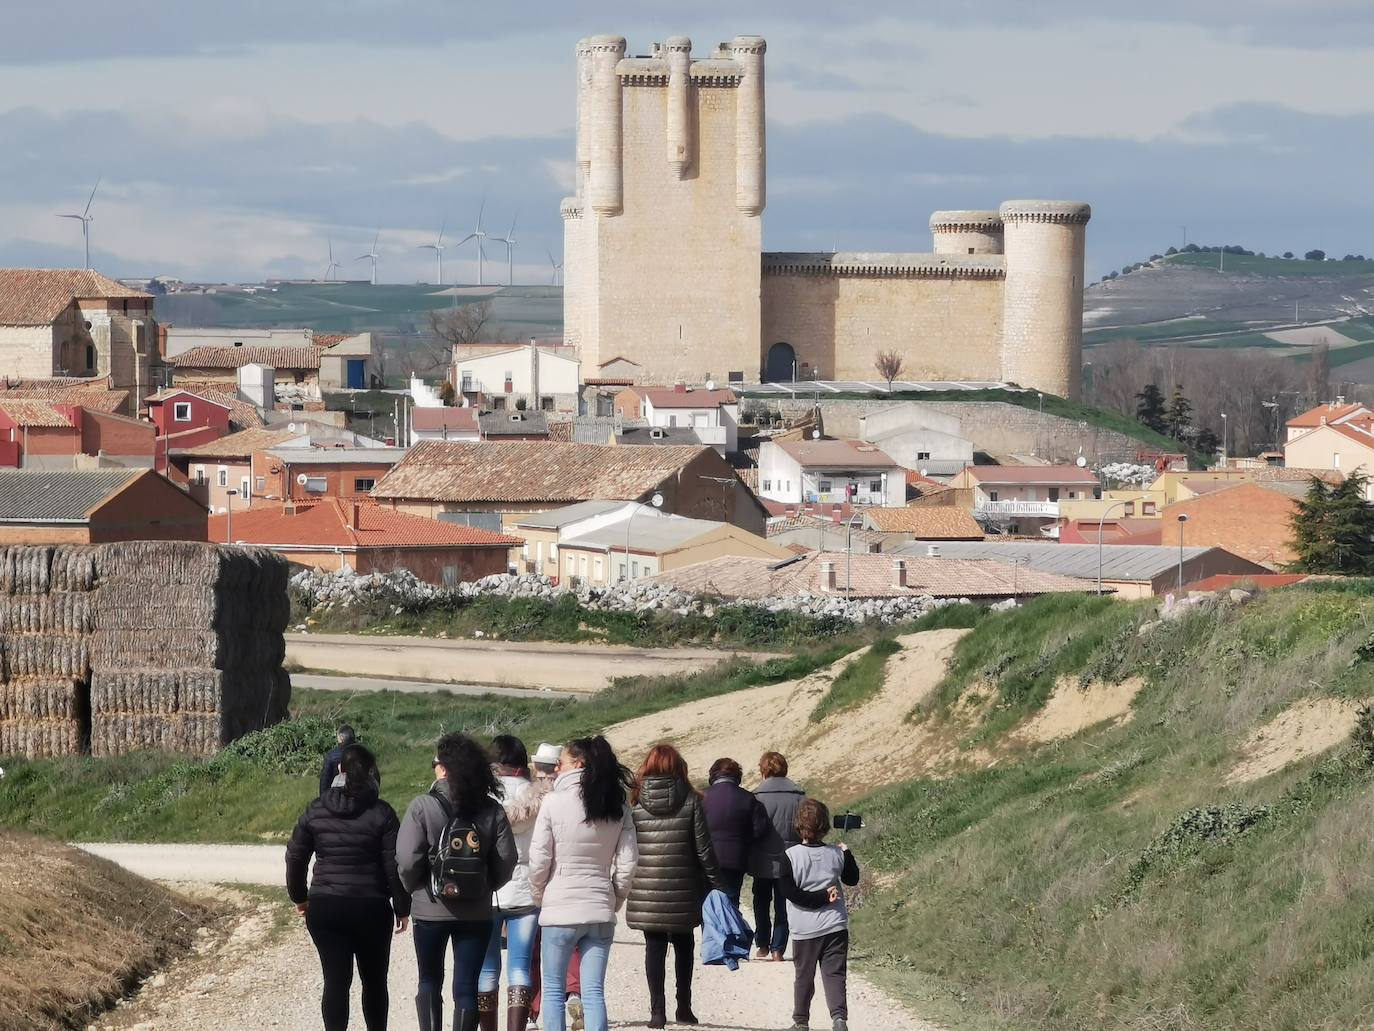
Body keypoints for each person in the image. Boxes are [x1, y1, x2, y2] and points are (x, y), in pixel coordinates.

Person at [398, 733, 519, 1031]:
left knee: (429, 979)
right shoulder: (491, 809)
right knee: (466, 987)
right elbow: (507, 859)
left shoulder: (422, 806)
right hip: (476, 911)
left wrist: (416, 887)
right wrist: (486, 885)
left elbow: (406, 859)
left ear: (443, 768)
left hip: (429, 908)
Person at [286, 743, 410, 1031]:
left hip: (326, 906)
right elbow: (395, 864)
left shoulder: (316, 809)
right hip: (371, 907)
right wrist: (402, 906)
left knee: (335, 982)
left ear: (339, 770)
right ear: (371, 773)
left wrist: (300, 897)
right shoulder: (382, 813)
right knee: (375, 982)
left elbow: (295, 856)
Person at [528, 736, 639, 1031]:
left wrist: (539, 895)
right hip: (600, 906)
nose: (557, 769)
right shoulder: (617, 805)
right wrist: (614, 898)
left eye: (561, 763)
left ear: (577, 764)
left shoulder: (553, 802)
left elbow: (539, 859)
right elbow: (628, 862)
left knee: (552, 990)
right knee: (593, 993)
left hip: (560, 907)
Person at [627, 744, 723, 1029]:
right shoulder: (692, 800)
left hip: (646, 886)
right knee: (684, 944)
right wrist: (718, 885)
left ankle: (657, 1011)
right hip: (683, 885)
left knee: (653, 946)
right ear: (678, 766)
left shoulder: (635, 800)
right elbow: (704, 849)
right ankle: (684, 1007)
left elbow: (629, 845)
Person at [478, 736, 546, 1031]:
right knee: (519, 965)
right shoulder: (540, 798)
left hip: (488, 889)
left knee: (487, 966)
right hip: (526, 888)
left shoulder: (483, 798)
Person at [782, 799, 861, 1031]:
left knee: (804, 976)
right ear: (825, 826)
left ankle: (801, 1021)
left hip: (804, 928)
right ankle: (839, 1019)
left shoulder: (790, 856)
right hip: (835, 925)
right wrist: (847, 853)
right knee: (835, 974)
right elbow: (852, 879)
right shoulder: (836, 853)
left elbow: (790, 893)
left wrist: (817, 898)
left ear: (798, 825)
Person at [527, 742, 583, 1030]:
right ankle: (573, 990)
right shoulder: (568, 796)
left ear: (537, 768)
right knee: (571, 946)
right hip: (568, 882)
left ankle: (534, 1010)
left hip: (534, 882)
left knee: (534, 950)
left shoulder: (528, 797)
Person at [750, 751, 806, 961]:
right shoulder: (799, 795)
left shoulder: (756, 796)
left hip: (762, 857)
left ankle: (762, 944)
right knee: (784, 904)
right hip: (790, 858)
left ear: (764, 770)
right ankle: (778, 949)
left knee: (760, 901)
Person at [701, 757, 770, 908]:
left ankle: (710, 932)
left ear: (712, 775)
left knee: (707, 908)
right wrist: (743, 842)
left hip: (705, 860)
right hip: (735, 860)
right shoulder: (748, 798)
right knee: (731, 907)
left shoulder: (700, 797)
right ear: (737, 776)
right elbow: (759, 830)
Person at [320, 724, 357, 797]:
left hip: (337, 796)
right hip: (360, 794)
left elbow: (325, 780)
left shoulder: (331, 755)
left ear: (341, 738)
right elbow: (374, 775)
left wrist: (323, 799)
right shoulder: (364, 752)